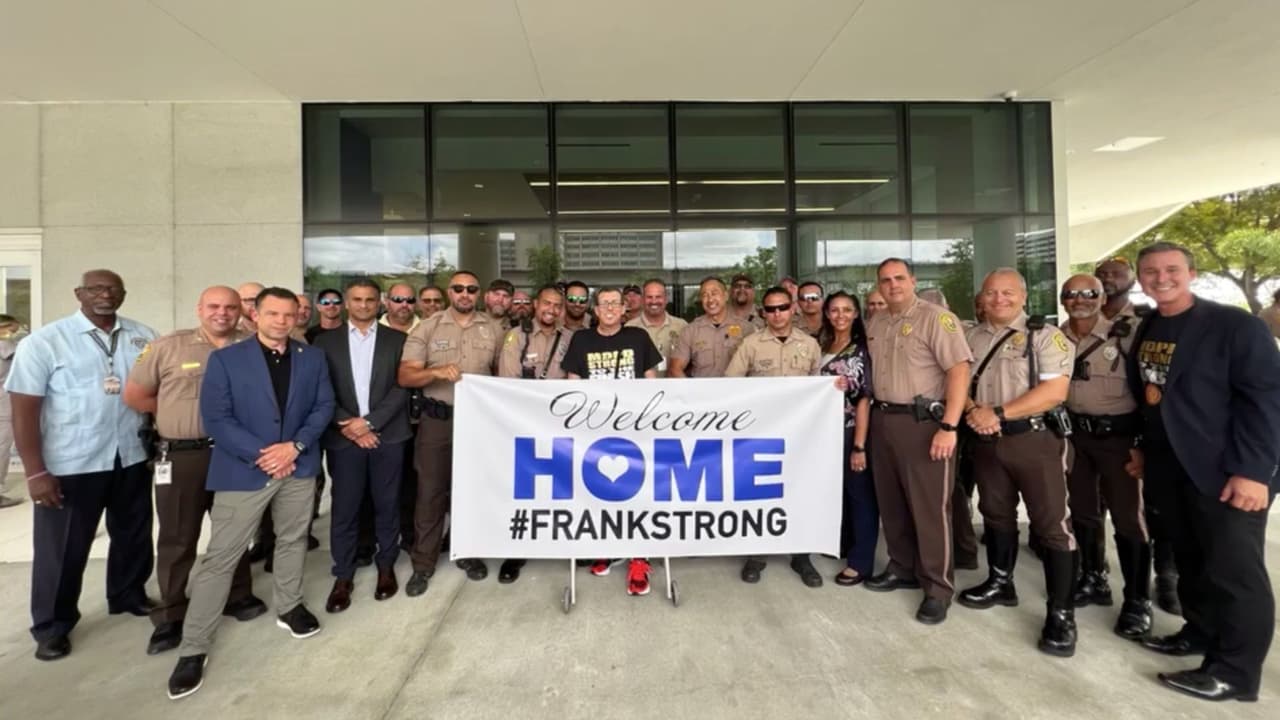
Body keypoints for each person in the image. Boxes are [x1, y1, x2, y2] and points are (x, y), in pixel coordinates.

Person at [1128, 242, 1280, 702]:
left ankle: (1234, 673)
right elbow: (1151, 398)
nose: (1161, 278)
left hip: (1226, 472)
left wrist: (1254, 471)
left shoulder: (1236, 326)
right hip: (1172, 469)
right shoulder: (1150, 325)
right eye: (1151, 271)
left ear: (1192, 273)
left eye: (1171, 269)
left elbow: (1266, 402)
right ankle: (1198, 633)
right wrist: (1143, 449)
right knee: (1193, 561)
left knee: (1235, 574)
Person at [166, 287, 335, 700]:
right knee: (222, 557)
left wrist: (295, 447)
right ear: (255, 316)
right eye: (273, 313)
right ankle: (194, 647)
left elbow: (323, 406)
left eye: (289, 314)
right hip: (245, 470)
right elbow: (217, 418)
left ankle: (289, 606)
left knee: (292, 540)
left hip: (298, 465)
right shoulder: (226, 360)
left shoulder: (311, 357)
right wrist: (265, 455)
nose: (282, 321)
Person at [6, 269, 158, 661]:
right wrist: (35, 472)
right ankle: (52, 625)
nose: (106, 295)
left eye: (114, 289)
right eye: (96, 289)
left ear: (123, 294)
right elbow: (24, 411)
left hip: (131, 456)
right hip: (72, 463)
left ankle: (127, 594)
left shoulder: (143, 336)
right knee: (63, 549)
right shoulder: (45, 342)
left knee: (133, 534)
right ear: (79, 293)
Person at [123, 286, 266, 656]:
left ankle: (238, 595)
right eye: (214, 306)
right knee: (177, 535)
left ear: (240, 311)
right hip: (184, 455)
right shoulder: (168, 346)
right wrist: (176, 412)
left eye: (230, 307)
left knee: (234, 528)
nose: (223, 313)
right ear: (199, 309)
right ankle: (171, 613)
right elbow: (135, 396)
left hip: (235, 453)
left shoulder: (253, 345)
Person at [962, 268, 1077, 657]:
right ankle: (1000, 582)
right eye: (991, 292)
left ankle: (1061, 614)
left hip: (1034, 440)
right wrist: (973, 412)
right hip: (986, 440)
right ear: (982, 297)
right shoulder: (971, 337)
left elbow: (1054, 391)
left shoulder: (1045, 336)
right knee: (995, 514)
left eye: (1008, 292)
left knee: (1052, 525)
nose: (999, 299)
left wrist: (997, 412)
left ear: (1023, 297)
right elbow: (957, 381)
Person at [863, 259, 970, 625]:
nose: (892, 285)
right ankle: (902, 566)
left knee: (930, 509)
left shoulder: (936, 318)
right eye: (885, 280)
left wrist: (949, 426)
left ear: (913, 280)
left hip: (924, 423)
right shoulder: (877, 321)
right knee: (891, 502)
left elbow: (959, 371)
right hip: (883, 420)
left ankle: (938, 587)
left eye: (899, 278)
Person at [398, 271, 503, 596]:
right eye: (459, 288)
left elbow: (501, 374)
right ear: (450, 292)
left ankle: (467, 552)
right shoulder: (427, 327)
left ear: (478, 293)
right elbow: (405, 376)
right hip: (438, 419)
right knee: (430, 492)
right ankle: (423, 563)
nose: (465, 293)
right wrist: (435, 372)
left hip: (478, 422)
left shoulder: (493, 328)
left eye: (471, 289)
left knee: (471, 490)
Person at [1058, 274, 1151, 640]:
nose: (1079, 299)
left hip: (1119, 439)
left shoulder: (1125, 335)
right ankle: (1093, 578)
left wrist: (1142, 442)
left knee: (1129, 518)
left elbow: (1147, 391)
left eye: (1089, 293)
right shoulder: (1056, 337)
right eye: (1071, 294)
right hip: (1076, 438)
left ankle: (1138, 600)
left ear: (1101, 298)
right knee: (1082, 511)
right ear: (1063, 300)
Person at [313, 279, 411, 613]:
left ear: (379, 302)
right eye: (357, 299)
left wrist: (370, 423)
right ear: (346, 303)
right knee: (345, 508)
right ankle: (343, 575)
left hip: (387, 435)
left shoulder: (398, 340)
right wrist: (351, 426)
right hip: (344, 438)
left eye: (370, 299)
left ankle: (386, 566)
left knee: (387, 504)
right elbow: (321, 390)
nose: (364, 305)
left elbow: (402, 387)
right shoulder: (324, 342)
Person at [560, 286, 662, 595]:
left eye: (615, 303)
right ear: (595, 309)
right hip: (594, 431)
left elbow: (652, 384)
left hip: (634, 430)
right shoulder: (582, 339)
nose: (609, 308)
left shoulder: (638, 338)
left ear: (623, 309)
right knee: (600, 491)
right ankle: (606, 546)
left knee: (637, 493)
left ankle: (639, 557)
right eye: (603, 303)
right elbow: (573, 385)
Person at [1095, 257, 1177, 615]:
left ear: (1132, 279)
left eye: (1117, 273)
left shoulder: (1148, 321)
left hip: (1135, 431)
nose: (1108, 278)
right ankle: (1094, 574)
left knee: (1142, 512)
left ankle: (1157, 582)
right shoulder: (1078, 322)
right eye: (1102, 274)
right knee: (1089, 509)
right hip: (1088, 433)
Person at [726, 286, 824, 586]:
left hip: (801, 435)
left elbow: (819, 389)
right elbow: (729, 384)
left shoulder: (810, 345)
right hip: (762, 434)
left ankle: (801, 555)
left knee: (801, 492)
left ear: (793, 308)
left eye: (782, 307)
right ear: (763, 313)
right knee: (761, 493)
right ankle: (757, 554)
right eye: (770, 309)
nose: (777, 314)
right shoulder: (751, 344)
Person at [497, 285, 576, 583]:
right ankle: (516, 551)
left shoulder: (569, 339)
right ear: (535, 304)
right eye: (547, 303)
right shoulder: (517, 336)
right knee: (526, 490)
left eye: (557, 305)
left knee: (563, 487)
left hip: (561, 425)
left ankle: (568, 543)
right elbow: (508, 383)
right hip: (525, 424)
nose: (551, 310)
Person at [816, 292, 876, 587]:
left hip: (851, 429)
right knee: (836, 492)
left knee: (859, 495)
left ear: (855, 314)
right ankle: (842, 542)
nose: (840, 315)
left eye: (847, 310)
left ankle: (860, 562)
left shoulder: (861, 349)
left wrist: (859, 446)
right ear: (827, 314)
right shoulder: (822, 344)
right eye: (834, 310)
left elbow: (863, 399)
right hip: (825, 432)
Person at [668, 277, 752, 379]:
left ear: (726, 296)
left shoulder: (746, 329)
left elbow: (756, 366)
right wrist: (691, 388)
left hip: (737, 388)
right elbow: (675, 369)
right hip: (701, 388)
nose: (710, 299)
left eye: (714, 293)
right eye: (705, 295)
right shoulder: (690, 331)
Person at [624, 279, 688, 377]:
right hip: (643, 385)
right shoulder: (630, 328)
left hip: (676, 384)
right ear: (642, 300)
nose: (654, 301)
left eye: (658, 297)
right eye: (649, 297)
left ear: (666, 299)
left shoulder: (682, 326)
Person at [0, 314, 27, 508]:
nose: (15, 332)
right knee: (2, 445)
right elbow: (28, 357)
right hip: (3, 401)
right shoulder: (5, 345)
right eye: (13, 329)